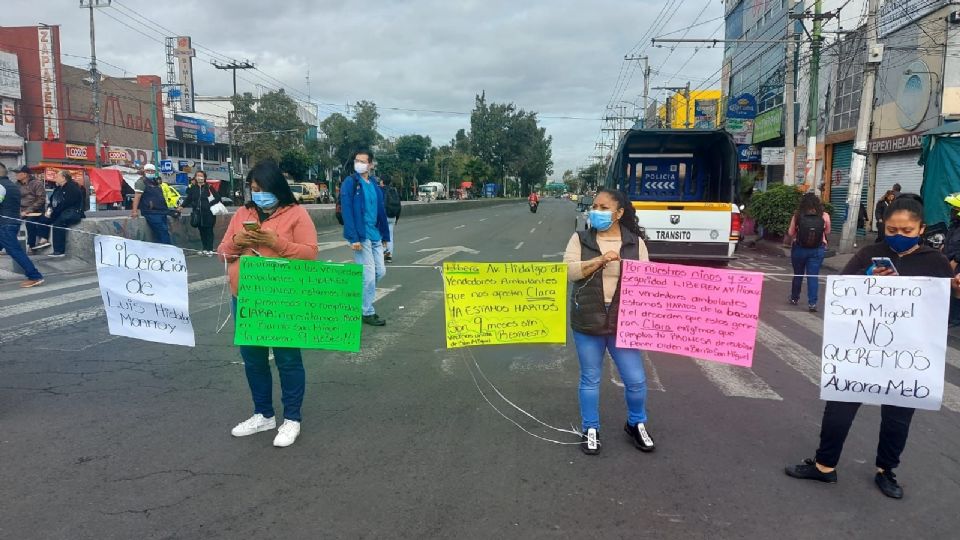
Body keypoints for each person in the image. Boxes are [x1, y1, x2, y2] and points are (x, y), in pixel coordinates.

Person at [786, 195, 958, 499]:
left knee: (898, 417)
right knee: (839, 408)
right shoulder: (869, 255)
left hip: (907, 356)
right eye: (892, 230)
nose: (898, 236)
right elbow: (842, 293)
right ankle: (825, 465)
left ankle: (886, 470)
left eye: (907, 231)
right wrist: (866, 279)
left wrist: (955, 290)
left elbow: (944, 308)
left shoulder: (936, 263)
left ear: (922, 229)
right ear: (883, 226)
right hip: (861, 352)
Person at [217, 161, 318, 448]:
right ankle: (263, 414)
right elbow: (221, 253)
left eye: (262, 189)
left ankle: (292, 418)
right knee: (253, 358)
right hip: (246, 297)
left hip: (282, 297)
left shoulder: (297, 215)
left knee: (287, 358)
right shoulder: (243, 213)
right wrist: (238, 240)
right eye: (253, 189)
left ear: (277, 188)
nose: (257, 194)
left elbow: (310, 255)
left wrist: (276, 243)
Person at [563, 188, 653, 456]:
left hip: (624, 319)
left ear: (619, 213)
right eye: (594, 206)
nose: (596, 211)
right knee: (590, 378)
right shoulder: (580, 239)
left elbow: (649, 279)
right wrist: (601, 260)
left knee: (635, 379)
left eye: (603, 208)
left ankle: (636, 423)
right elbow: (570, 271)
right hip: (589, 317)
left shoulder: (636, 243)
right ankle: (590, 428)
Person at [340, 149, 390, 326]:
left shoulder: (374, 184)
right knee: (368, 276)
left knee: (380, 272)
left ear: (370, 165)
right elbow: (347, 209)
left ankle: (362, 303)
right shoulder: (350, 183)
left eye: (362, 161)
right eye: (356, 160)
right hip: (361, 236)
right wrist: (353, 238)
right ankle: (367, 311)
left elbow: (381, 211)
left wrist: (385, 235)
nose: (358, 164)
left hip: (375, 234)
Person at [0, 164, 43, 287]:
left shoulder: (1, 186)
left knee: (15, 251)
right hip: (12, 222)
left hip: (5, 225)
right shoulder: (13, 186)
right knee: (14, 250)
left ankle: (35, 276)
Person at [788, 193, 831, 312]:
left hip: (799, 249)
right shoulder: (824, 215)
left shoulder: (797, 215)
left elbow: (791, 233)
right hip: (817, 250)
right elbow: (827, 231)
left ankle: (794, 298)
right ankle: (812, 303)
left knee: (798, 274)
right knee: (813, 276)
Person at [34, 170, 84, 258]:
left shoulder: (72, 188)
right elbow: (52, 200)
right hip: (58, 211)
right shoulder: (58, 188)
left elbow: (67, 203)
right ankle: (44, 239)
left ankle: (59, 251)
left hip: (71, 212)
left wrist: (54, 212)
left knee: (58, 223)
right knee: (43, 218)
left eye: (57, 176)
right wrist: (49, 211)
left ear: (63, 178)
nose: (55, 178)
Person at [130, 163, 173, 245]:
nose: (150, 172)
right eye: (148, 171)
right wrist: (134, 211)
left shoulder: (155, 182)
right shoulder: (141, 182)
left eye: (152, 171)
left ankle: (162, 253)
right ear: (144, 171)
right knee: (163, 232)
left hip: (161, 211)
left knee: (162, 233)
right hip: (151, 212)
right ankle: (168, 252)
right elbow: (137, 197)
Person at [185, 170, 221, 254]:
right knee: (202, 231)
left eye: (201, 176)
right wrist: (181, 207)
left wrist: (209, 204)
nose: (199, 178)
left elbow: (218, 197)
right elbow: (188, 199)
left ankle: (210, 249)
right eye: (198, 176)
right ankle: (205, 248)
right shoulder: (193, 188)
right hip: (198, 214)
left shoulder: (209, 187)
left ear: (204, 177)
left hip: (208, 214)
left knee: (209, 231)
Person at [13, 166, 46, 253]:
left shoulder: (36, 183)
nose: (15, 175)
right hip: (20, 210)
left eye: (17, 173)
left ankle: (31, 246)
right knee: (8, 222)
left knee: (30, 222)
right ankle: (7, 246)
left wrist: (28, 210)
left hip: (35, 211)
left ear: (24, 174)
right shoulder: (16, 185)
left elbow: (41, 199)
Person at [381, 177, 401, 263]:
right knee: (390, 236)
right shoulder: (394, 191)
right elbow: (399, 205)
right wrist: (397, 218)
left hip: (384, 216)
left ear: (382, 182)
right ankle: (389, 256)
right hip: (392, 216)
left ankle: (384, 252)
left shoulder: (381, 190)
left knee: (382, 236)